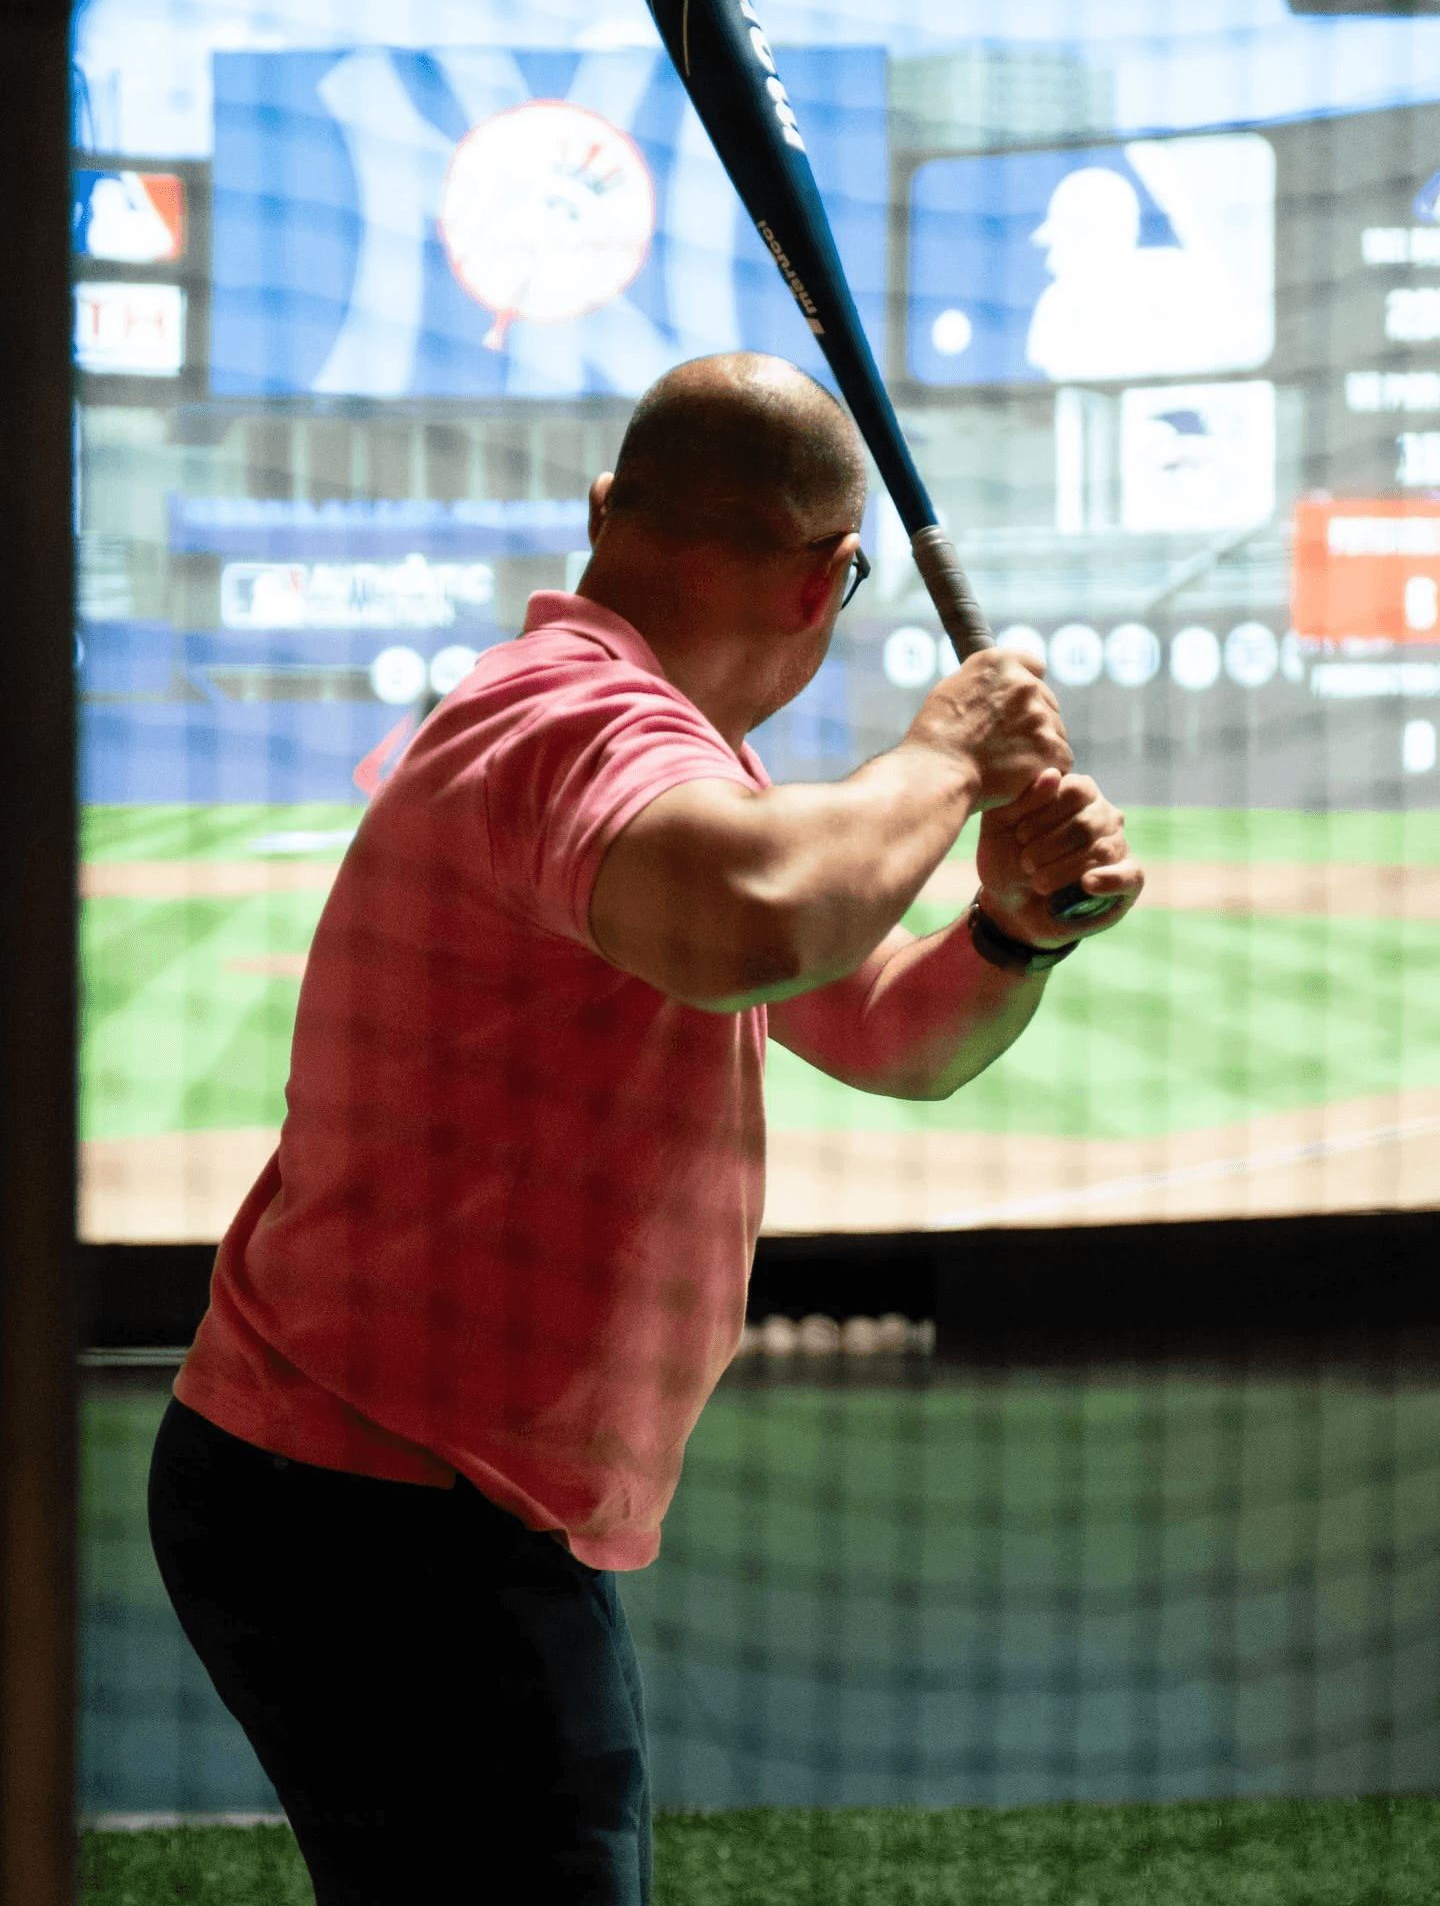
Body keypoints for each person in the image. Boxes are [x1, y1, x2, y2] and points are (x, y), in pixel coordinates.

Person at [148, 352, 1143, 1906]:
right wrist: (948, 748)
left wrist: (1009, 934)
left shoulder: (666, 753)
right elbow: (760, 916)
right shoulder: (565, 722)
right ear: (830, 586)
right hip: (383, 1513)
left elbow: (883, 1026)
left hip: (417, 1503)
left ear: (603, 507)